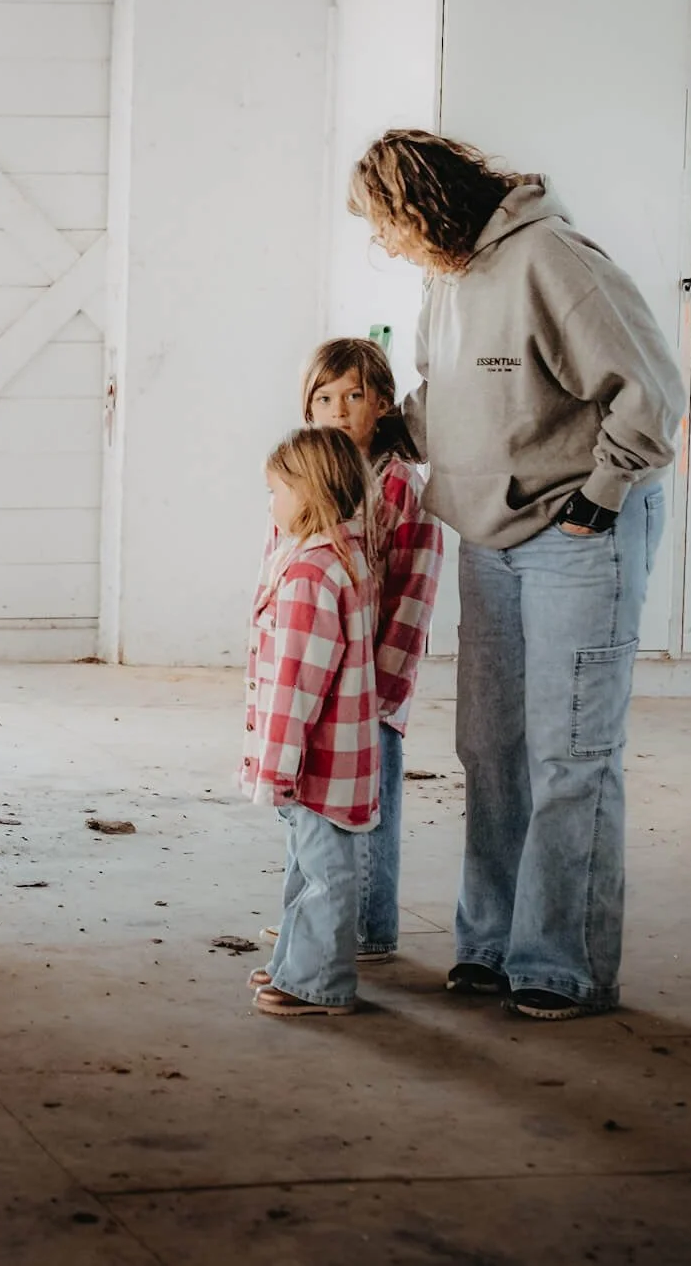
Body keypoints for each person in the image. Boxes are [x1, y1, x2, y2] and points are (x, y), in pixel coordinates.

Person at [348, 129, 686, 1019]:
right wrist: (382, 433)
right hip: (490, 535)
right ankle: (491, 942)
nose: (387, 245)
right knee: (491, 747)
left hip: (581, 527)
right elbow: (451, 398)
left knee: (571, 750)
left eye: (389, 224)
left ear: (424, 205)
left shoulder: (552, 259)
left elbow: (651, 389)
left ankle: (559, 962)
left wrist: (603, 496)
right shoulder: (447, 276)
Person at [300, 338, 444, 963]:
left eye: (354, 396)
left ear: (383, 404)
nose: (339, 409)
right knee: (313, 803)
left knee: (372, 806)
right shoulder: (307, 477)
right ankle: (320, 922)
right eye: (325, 397)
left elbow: (415, 585)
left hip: (373, 681)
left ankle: (369, 931)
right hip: (320, 671)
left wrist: (385, 686)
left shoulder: (400, 486)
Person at [243, 427, 380, 1018]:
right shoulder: (339, 557)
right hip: (334, 756)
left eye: (276, 491)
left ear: (309, 493)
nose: (270, 504)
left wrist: (276, 766)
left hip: (317, 760)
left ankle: (322, 982)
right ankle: (296, 963)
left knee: (323, 874)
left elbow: (298, 685)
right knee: (306, 867)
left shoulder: (310, 577)